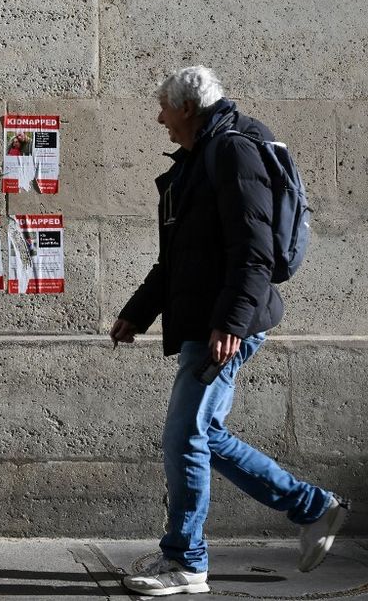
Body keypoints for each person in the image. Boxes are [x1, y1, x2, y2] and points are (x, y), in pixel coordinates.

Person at [111, 66, 348, 597]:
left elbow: (254, 249)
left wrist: (231, 322)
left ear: (187, 108)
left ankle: (185, 561)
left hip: (224, 323)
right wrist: (138, 312)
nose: (159, 119)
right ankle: (314, 508)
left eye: (165, 109)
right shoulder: (198, 161)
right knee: (204, 434)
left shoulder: (232, 152)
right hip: (207, 321)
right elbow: (175, 258)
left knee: (183, 435)